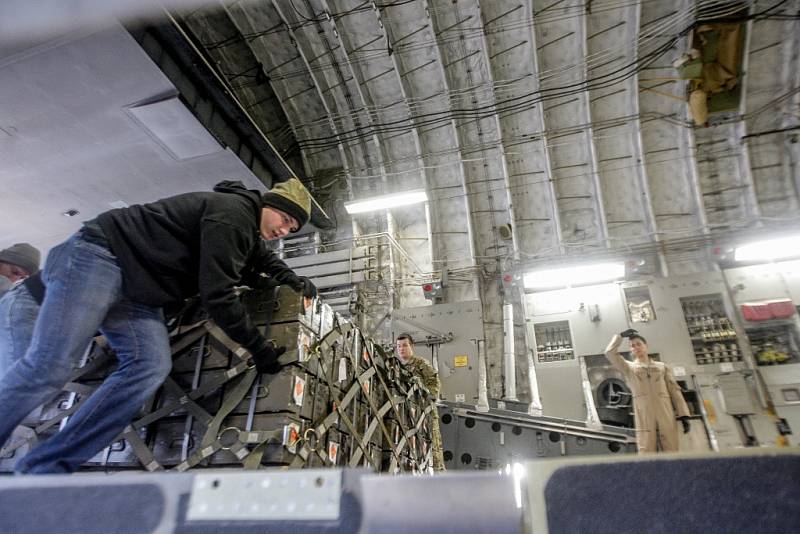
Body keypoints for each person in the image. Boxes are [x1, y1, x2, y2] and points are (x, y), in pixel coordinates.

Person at [0, 178, 318, 473]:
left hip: (137, 291)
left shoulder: (243, 228)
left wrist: (291, 279)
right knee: (51, 365)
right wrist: (259, 349)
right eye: (285, 221)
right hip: (101, 256)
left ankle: (44, 467)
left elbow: (261, 257)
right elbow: (217, 296)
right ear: (269, 205)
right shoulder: (232, 214)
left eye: (292, 230)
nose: (284, 231)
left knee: (149, 366)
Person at [605, 329, 691, 453]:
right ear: (631, 350)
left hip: (665, 414)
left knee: (672, 451)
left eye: (639, 344)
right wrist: (620, 336)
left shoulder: (662, 367)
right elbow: (609, 353)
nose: (636, 347)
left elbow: (675, 391)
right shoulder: (629, 367)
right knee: (646, 451)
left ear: (646, 346)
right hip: (644, 415)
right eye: (632, 346)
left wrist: (684, 415)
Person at [395, 333, 445, 472]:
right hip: (407, 416)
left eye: (405, 345)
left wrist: (422, 394)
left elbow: (434, 387)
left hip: (426, 415)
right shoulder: (396, 367)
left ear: (412, 346)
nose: (401, 349)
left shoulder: (421, 364)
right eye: (399, 346)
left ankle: (439, 479)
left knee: (433, 450)